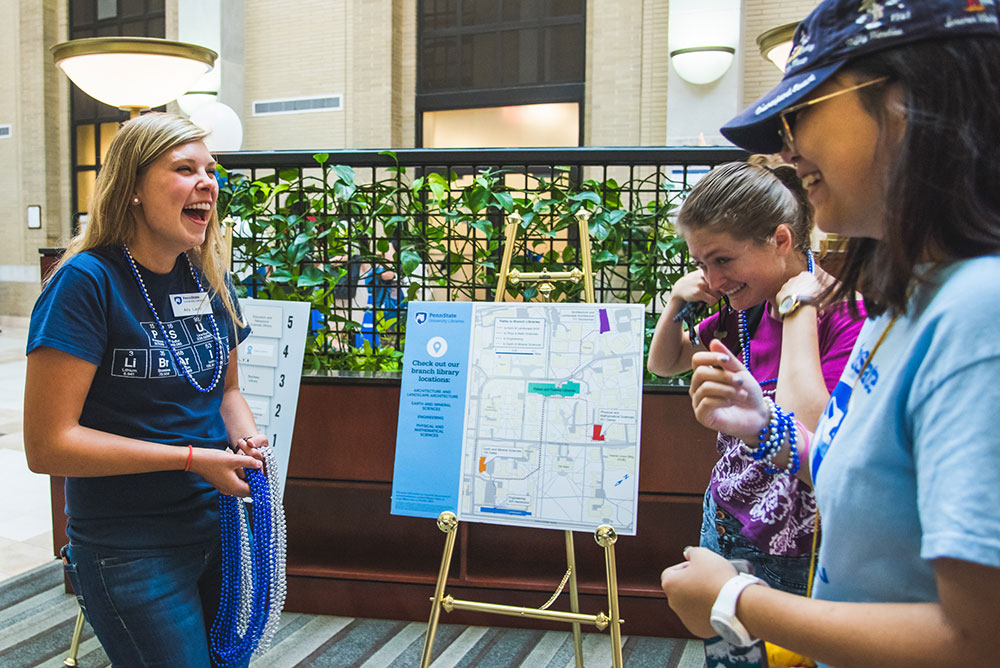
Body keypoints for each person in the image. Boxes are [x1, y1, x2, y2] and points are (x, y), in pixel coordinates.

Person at [659, 2, 1000, 666]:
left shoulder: (978, 313)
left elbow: (979, 636)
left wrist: (738, 602)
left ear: (905, 101)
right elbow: (871, 477)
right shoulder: (909, 298)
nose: (788, 148)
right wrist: (764, 425)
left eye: (804, 110)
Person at [24, 113, 266, 667]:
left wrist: (248, 442)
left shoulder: (207, 276)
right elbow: (48, 446)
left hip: (218, 527)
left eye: (210, 169)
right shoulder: (84, 283)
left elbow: (226, 392)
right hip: (129, 546)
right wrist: (190, 458)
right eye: (184, 169)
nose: (208, 182)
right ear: (131, 188)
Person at [648, 156, 865, 596]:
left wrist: (799, 309)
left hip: (798, 549)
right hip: (724, 521)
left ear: (781, 240)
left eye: (722, 259)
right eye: (701, 263)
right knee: (730, 657)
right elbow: (665, 362)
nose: (712, 278)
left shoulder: (844, 315)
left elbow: (807, 432)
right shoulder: (743, 312)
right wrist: (675, 304)